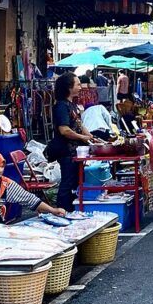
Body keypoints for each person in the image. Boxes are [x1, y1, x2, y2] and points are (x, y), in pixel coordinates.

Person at [49, 72, 98, 211]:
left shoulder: (72, 105)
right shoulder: (61, 106)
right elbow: (64, 130)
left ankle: (72, 209)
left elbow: (79, 125)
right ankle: (62, 210)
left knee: (75, 181)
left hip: (76, 152)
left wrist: (90, 136)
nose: (80, 87)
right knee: (67, 182)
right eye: (78, 84)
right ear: (69, 87)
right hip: (66, 151)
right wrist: (82, 137)